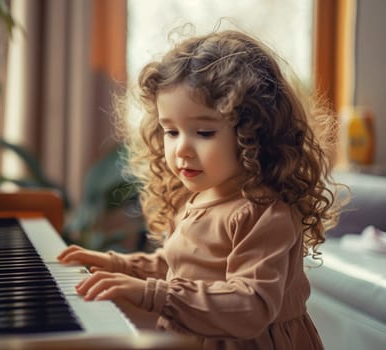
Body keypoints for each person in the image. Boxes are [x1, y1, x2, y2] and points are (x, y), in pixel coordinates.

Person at [57, 29, 343, 349]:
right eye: (171, 131)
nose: (182, 149)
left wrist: (150, 294)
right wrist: (116, 265)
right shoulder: (198, 198)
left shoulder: (263, 212)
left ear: (253, 132)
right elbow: (176, 266)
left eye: (204, 132)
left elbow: (252, 305)